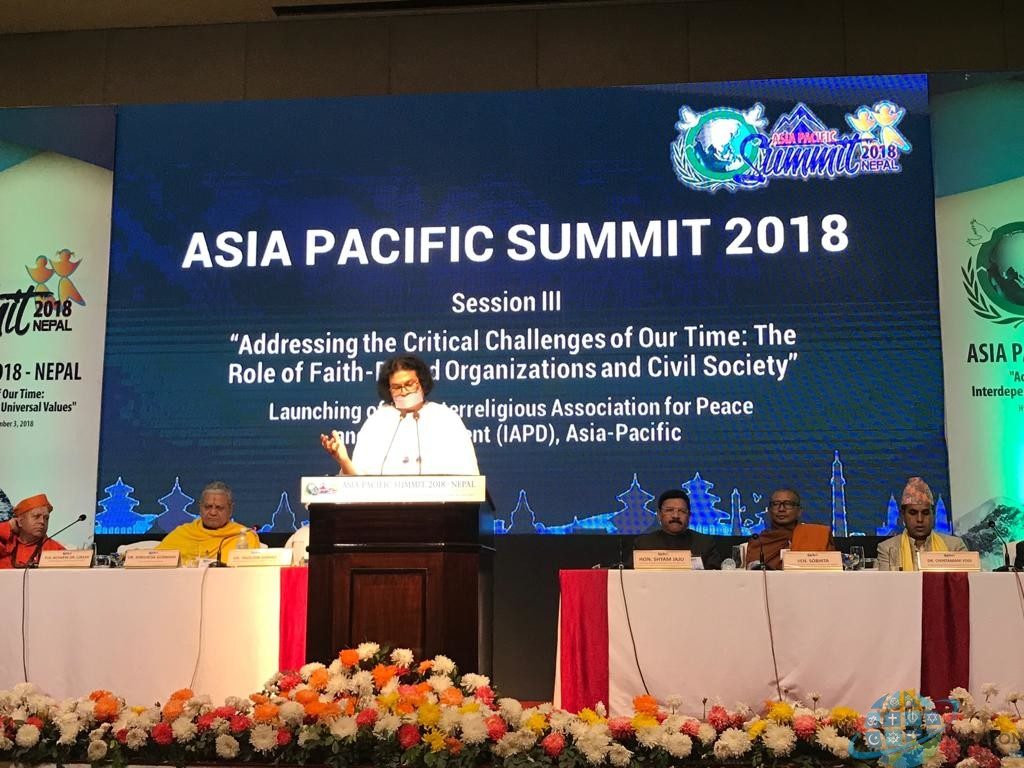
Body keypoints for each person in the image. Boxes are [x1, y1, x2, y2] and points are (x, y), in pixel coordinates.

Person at [320, 354, 478, 475]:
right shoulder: (377, 422)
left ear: (422, 383)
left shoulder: (446, 418)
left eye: (409, 384)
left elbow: (469, 479)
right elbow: (357, 486)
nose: (404, 391)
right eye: (396, 387)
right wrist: (344, 461)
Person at [156, 481, 259, 564]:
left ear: (230, 510)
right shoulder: (183, 534)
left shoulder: (243, 536)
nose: (213, 512)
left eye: (219, 508)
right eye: (208, 507)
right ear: (200, 507)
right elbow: (155, 562)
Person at [877, 477, 967, 571]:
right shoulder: (887, 549)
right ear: (903, 515)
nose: (920, 519)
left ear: (933, 515)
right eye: (913, 513)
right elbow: (887, 581)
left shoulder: (954, 547)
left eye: (925, 513)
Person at [743, 488, 834, 570]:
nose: (781, 509)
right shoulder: (759, 542)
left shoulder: (817, 535)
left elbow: (832, 569)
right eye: (776, 504)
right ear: (769, 510)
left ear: (799, 511)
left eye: (788, 504)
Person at [631, 489, 722, 569]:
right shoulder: (643, 545)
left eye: (682, 511)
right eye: (669, 510)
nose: (675, 516)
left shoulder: (705, 544)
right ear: (659, 514)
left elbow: (717, 577)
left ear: (689, 515)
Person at [0, 494, 65, 568]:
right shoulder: (5, 543)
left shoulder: (56, 551)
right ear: (20, 522)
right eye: (36, 516)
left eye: (46, 518)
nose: (42, 522)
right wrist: (8, 526)